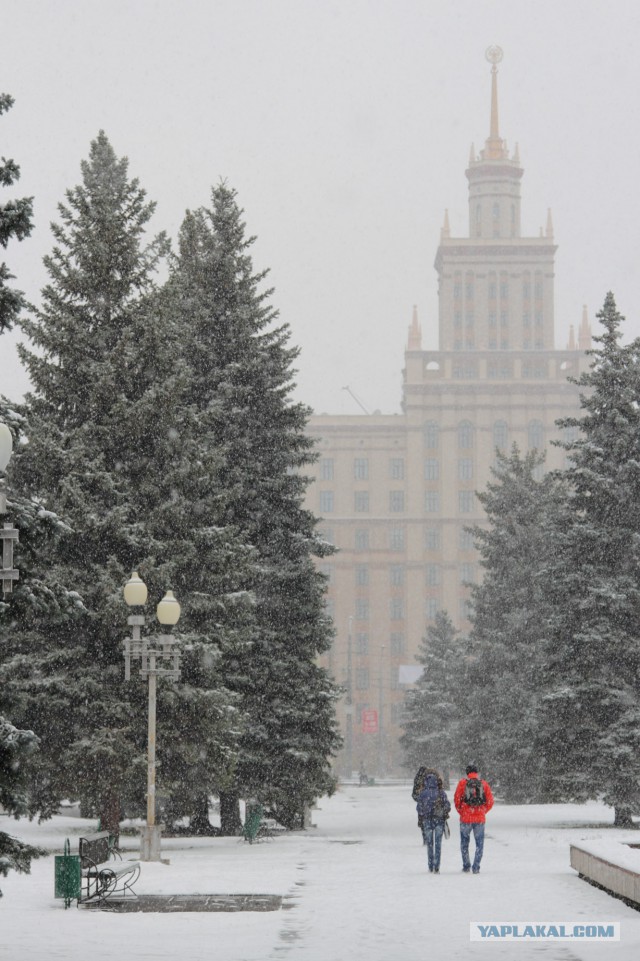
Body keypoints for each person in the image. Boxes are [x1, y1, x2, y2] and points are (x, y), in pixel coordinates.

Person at [454, 763, 494, 874]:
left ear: (467, 773)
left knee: (464, 844)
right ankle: (476, 867)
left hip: (465, 818)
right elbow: (490, 801)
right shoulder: (484, 784)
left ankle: (466, 866)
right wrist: (482, 811)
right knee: (479, 844)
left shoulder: (462, 783)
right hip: (479, 819)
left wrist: (462, 812)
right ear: (477, 773)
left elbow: (457, 800)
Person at [416, 770, 451, 873]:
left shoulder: (423, 793)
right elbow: (448, 806)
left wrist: (425, 813)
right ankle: (437, 866)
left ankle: (430, 866)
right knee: (438, 844)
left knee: (430, 844)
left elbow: (419, 808)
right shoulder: (441, 793)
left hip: (427, 821)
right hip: (439, 820)